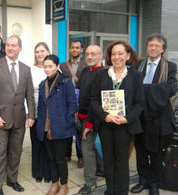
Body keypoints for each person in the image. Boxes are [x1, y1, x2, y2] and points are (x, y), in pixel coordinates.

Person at [90, 41, 144, 195]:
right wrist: (105, 116)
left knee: (121, 161)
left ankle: (121, 192)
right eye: (113, 54)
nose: (116, 57)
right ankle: (110, 189)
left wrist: (128, 118)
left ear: (128, 56)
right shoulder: (100, 74)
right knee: (108, 159)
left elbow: (140, 103)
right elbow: (93, 99)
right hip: (106, 124)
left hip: (124, 125)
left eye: (120, 53)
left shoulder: (136, 76)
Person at [0, 35, 35, 195]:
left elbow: (29, 95)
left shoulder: (26, 69)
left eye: (14, 45)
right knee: (0, 153)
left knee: (16, 151)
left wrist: (31, 116)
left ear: (20, 48)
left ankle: (12, 179)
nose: (10, 48)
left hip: (19, 119)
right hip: (0, 119)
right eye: (8, 45)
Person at [131, 34, 177, 195]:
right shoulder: (138, 65)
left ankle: (155, 183)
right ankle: (143, 180)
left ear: (163, 49)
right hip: (139, 115)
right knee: (141, 151)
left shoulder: (170, 67)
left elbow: (171, 88)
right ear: (146, 47)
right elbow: (131, 87)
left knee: (156, 153)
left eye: (157, 46)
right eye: (150, 45)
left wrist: (145, 89)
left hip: (159, 117)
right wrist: (153, 89)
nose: (153, 48)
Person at [36, 54, 77, 195]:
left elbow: (73, 104)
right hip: (46, 128)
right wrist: (40, 126)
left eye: (50, 66)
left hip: (61, 128)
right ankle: (55, 184)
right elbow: (41, 107)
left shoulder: (65, 82)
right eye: (45, 66)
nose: (47, 69)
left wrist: (67, 122)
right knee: (51, 158)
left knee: (60, 159)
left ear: (57, 66)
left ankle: (64, 185)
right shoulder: (42, 84)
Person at [76, 45, 104, 194]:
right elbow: (78, 91)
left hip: (93, 119)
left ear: (100, 56)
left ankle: (90, 183)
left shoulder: (104, 73)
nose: (90, 57)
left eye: (93, 54)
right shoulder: (85, 71)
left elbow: (98, 101)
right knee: (90, 147)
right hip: (80, 116)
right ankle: (101, 169)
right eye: (87, 54)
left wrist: (90, 122)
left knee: (86, 149)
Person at [60, 40, 87, 167]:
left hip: (81, 101)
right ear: (69, 49)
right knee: (67, 128)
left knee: (79, 129)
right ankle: (67, 154)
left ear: (82, 50)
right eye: (72, 47)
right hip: (66, 102)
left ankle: (80, 156)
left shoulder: (86, 65)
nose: (75, 49)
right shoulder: (63, 66)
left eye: (77, 48)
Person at [30, 42, 51, 183]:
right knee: (36, 143)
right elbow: (27, 93)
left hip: (50, 115)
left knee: (48, 145)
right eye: (37, 51)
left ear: (48, 52)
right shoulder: (29, 70)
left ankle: (48, 172)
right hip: (35, 114)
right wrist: (29, 114)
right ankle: (38, 172)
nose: (40, 54)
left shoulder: (54, 70)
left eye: (42, 51)